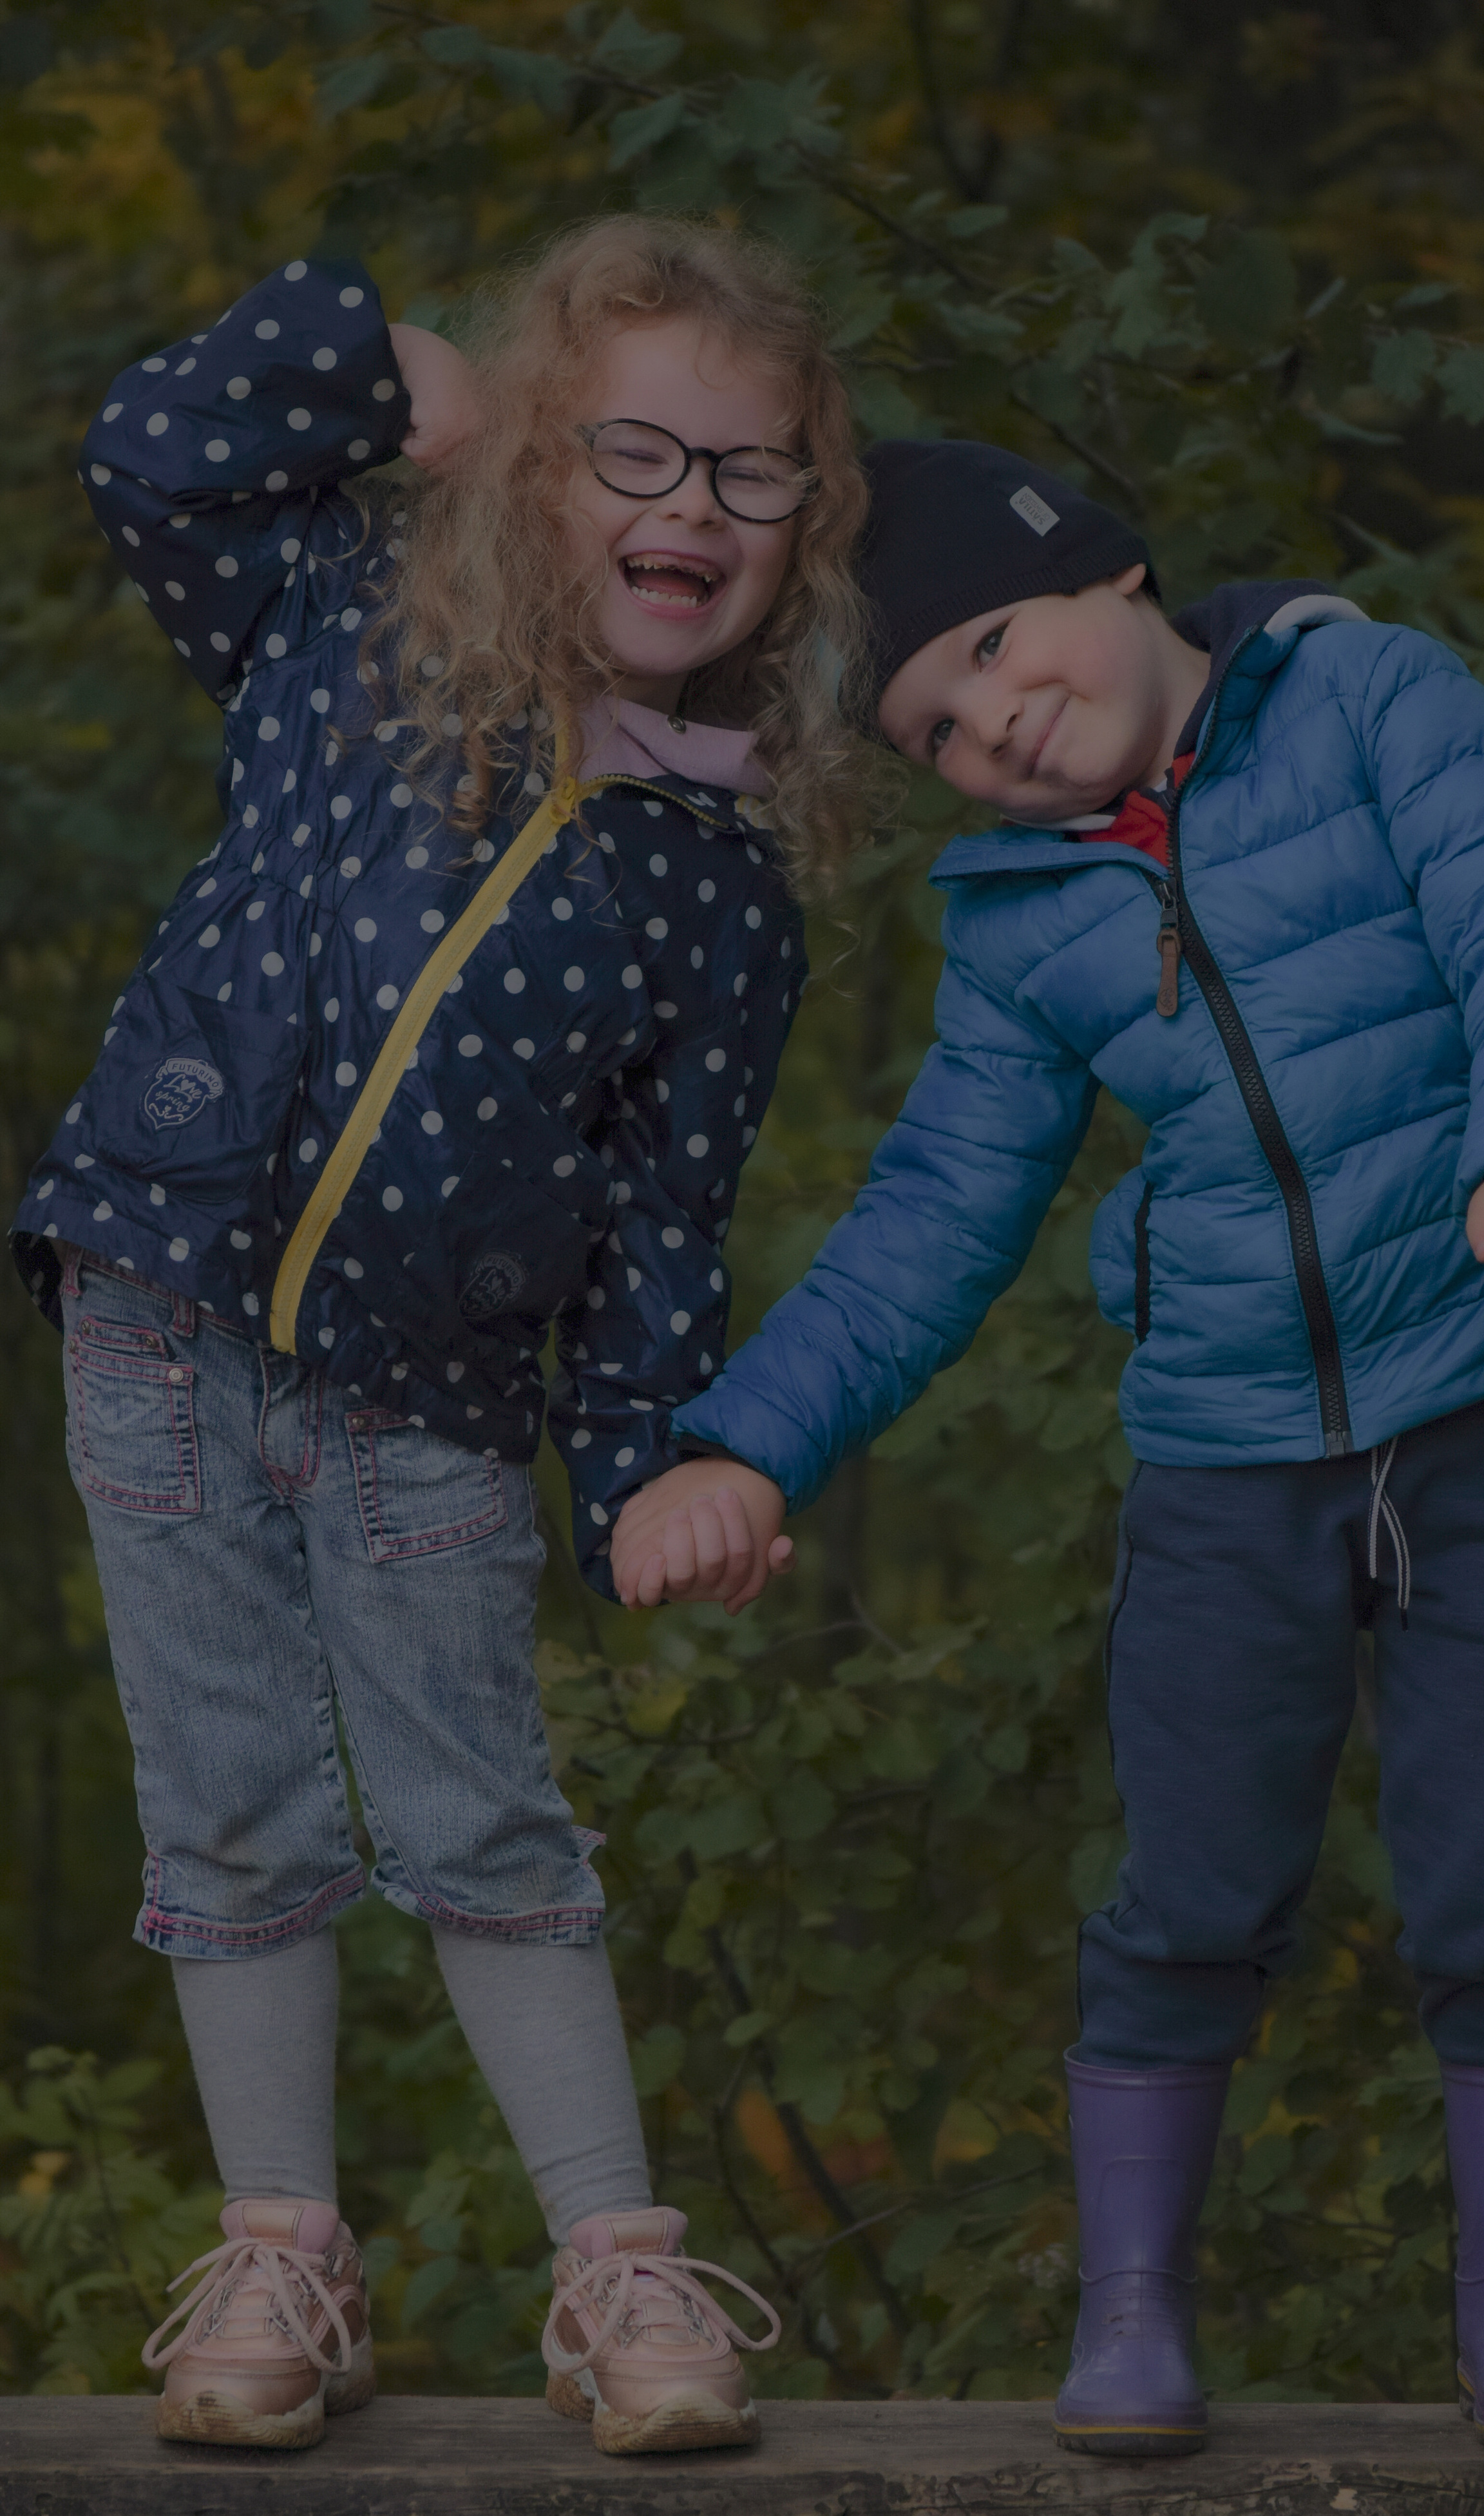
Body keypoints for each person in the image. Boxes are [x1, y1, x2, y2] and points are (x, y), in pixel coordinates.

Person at [611, 438, 1484, 2460]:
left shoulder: (1372, 697)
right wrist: (743, 1442)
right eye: (941, 729)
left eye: (996, 645)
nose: (994, 718)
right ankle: (1133, 2314)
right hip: (1227, 1453)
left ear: (1114, 571)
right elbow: (934, 1215)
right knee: (1187, 1886)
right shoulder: (1015, 915)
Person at [10, 216, 877, 2456]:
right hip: (165, 1301)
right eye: (637, 451)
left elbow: (663, 1214)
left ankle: (619, 2268)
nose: (691, 507)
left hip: (439, 1387)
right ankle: (283, 2250)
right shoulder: (345, 634)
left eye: (751, 474)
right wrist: (387, 366)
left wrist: (655, 1463)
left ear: (804, 529)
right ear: (529, 478)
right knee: (227, 1808)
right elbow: (154, 453)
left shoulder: (719, 875)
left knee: (480, 1811)